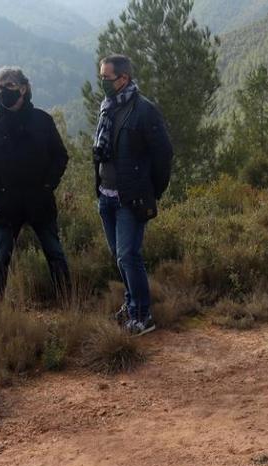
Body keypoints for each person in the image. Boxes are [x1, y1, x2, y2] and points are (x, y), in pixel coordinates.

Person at [0, 67, 71, 299]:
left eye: (10, 86)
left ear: (23, 88)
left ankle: (69, 303)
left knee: (55, 254)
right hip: (7, 204)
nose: (4, 91)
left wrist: (47, 186)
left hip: (40, 201)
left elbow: (60, 156)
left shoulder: (42, 120)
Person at [93, 54, 173, 335]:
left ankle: (143, 315)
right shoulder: (107, 107)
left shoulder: (144, 111)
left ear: (123, 78)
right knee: (119, 256)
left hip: (130, 198)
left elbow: (163, 155)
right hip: (106, 195)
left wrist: (152, 191)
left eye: (106, 78)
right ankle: (131, 305)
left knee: (128, 255)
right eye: (101, 76)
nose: (102, 82)